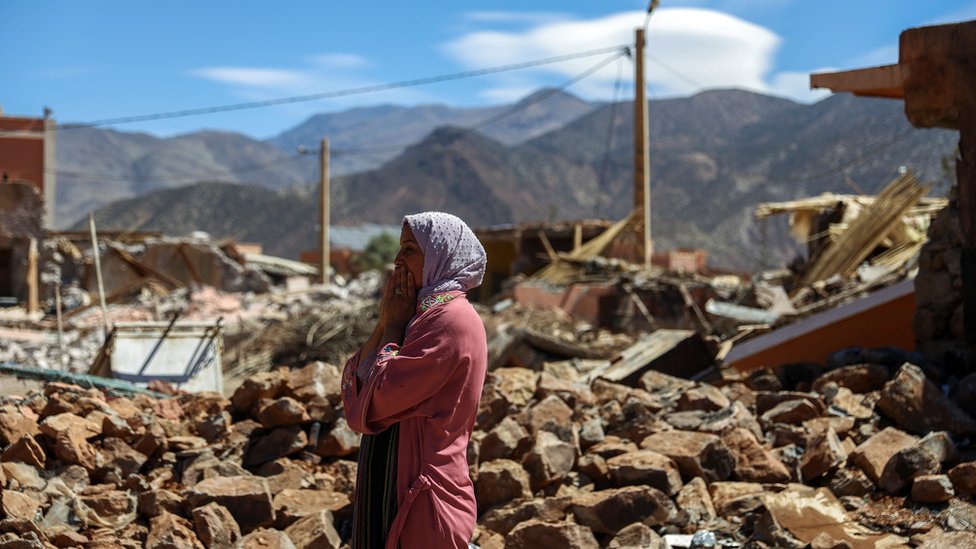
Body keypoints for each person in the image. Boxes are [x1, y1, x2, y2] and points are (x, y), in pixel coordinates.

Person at [341, 211, 489, 549]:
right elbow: (357, 394)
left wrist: (391, 328)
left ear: (439, 254)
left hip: (422, 496)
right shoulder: (419, 316)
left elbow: (374, 401)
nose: (396, 260)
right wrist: (385, 322)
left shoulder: (450, 321)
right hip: (393, 484)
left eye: (409, 249)